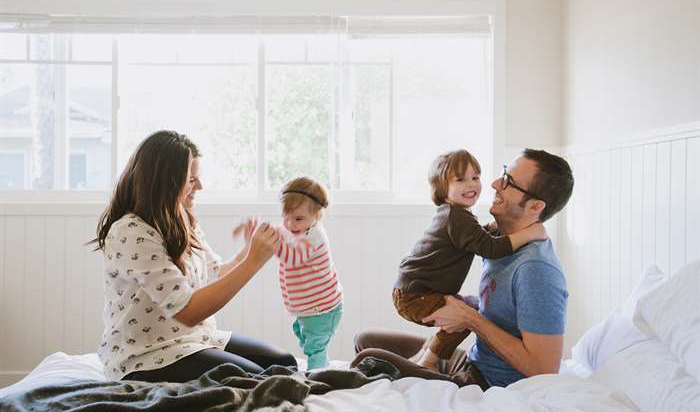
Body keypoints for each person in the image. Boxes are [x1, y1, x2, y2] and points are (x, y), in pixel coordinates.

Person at [354, 149, 574, 390]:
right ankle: (428, 362)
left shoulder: (536, 269)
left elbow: (544, 369)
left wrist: (470, 319)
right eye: (503, 173)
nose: (494, 183)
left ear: (534, 207)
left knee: (367, 360)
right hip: (472, 361)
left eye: (508, 181)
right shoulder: (497, 239)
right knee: (365, 341)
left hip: (486, 381)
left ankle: (426, 364)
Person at [93, 130, 296, 382]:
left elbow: (213, 275)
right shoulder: (130, 231)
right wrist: (253, 261)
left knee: (284, 364)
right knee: (254, 381)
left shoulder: (182, 218)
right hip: (146, 354)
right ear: (164, 182)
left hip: (195, 338)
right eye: (191, 179)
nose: (199, 186)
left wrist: (246, 252)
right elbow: (187, 311)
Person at [394, 149, 547, 370]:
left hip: (415, 291)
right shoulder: (457, 217)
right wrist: (529, 234)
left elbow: (471, 240)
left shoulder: (455, 214)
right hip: (416, 295)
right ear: (442, 187)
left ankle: (423, 356)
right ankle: (428, 362)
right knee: (466, 316)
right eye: (461, 179)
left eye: (475, 177)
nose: (472, 184)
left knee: (470, 306)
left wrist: (489, 229)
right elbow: (489, 248)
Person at [273, 176, 343, 370]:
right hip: (307, 308)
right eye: (285, 217)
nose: (290, 224)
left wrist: (272, 245)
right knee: (305, 338)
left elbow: (293, 257)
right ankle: (322, 364)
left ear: (318, 215)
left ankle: (317, 377)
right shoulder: (296, 229)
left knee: (315, 347)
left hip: (323, 308)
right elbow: (279, 231)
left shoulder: (314, 236)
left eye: (298, 219)